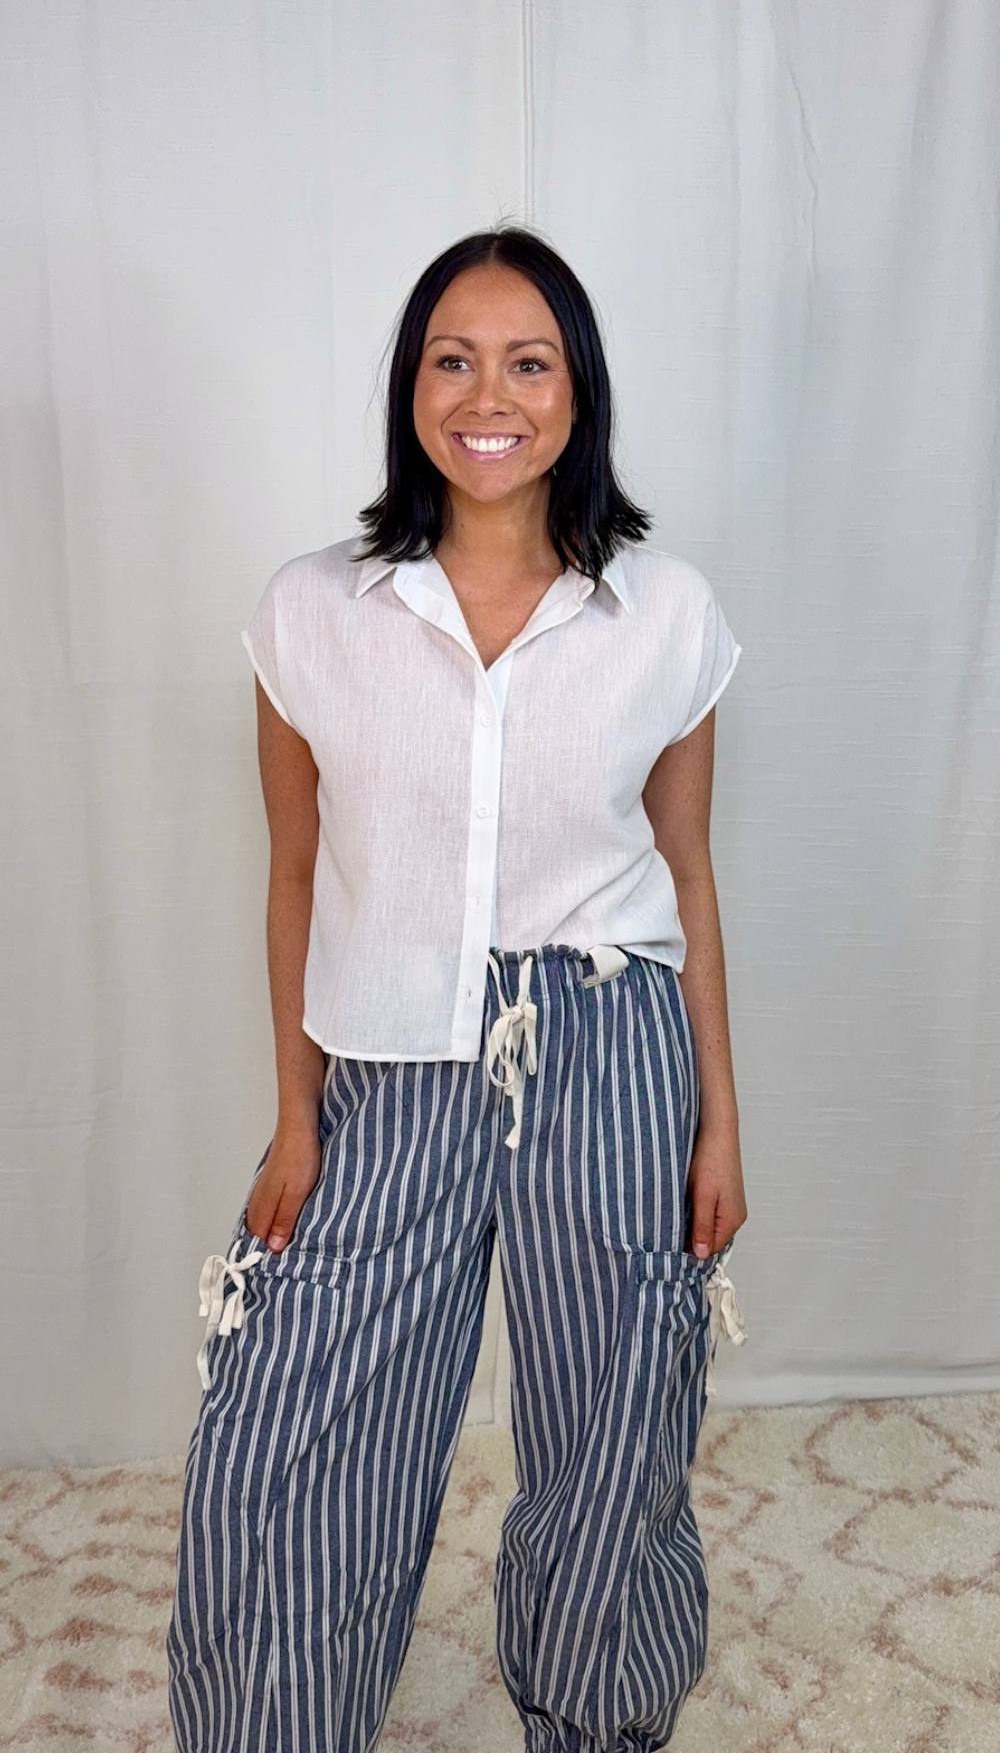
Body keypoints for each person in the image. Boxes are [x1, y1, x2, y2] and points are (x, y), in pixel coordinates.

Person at [166, 223, 749, 1753]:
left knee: (611, 1434)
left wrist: (719, 1128)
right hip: (387, 1057)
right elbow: (295, 873)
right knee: (289, 1439)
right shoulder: (315, 612)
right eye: (453, 357)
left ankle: (595, 1720)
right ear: (413, 389)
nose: (489, 393)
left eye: (529, 360)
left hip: (615, 1049)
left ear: (579, 390)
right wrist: (296, 1125)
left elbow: (687, 881)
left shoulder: (666, 616)